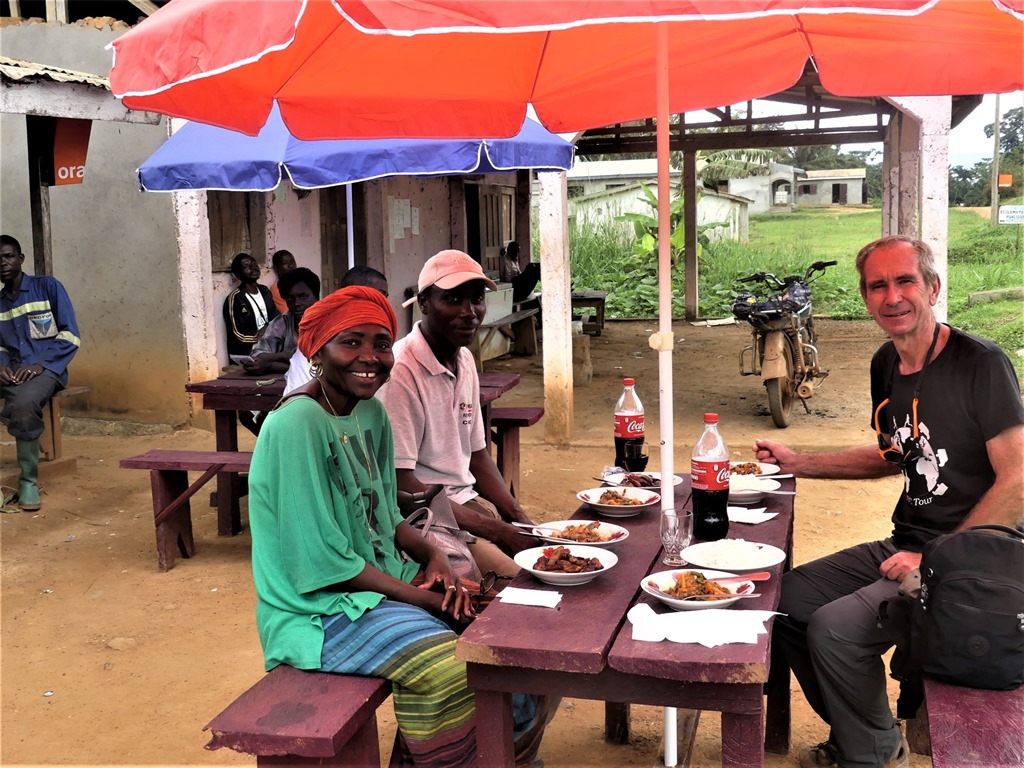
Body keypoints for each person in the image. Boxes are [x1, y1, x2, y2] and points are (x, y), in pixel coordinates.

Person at [248, 285, 548, 767]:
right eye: (351, 342)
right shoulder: (295, 424)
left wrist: (431, 554)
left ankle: (498, 757)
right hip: (320, 613)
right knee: (456, 670)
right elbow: (323, 564)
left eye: (382, 344)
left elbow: (385, 517)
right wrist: (424, 599)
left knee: (519, 637)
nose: (370, 357)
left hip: (382, 587)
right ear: (318, 351)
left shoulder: (369, 411)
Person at [753, 235, 1024, 768]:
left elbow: (1017, 480)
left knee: (834, 629)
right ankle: (872, 739)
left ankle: (865, 754)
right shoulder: (886, 363)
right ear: (865, 297)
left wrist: (936, 558)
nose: (892, 296)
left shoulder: (981, 363)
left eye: (905, 281)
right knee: (785, 602)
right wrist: (798, 461)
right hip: (908, 543)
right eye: (878, 285)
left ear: (933, 288)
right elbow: (895, 453)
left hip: (981, 563)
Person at [378, 250, 540, 578]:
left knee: (548, 559)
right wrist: (496, 530)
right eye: (453, 299)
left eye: (476, 299)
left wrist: (520, 520)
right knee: (521, 584)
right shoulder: (401, 372)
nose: (469, 312)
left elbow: (477, 455)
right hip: (424, 517)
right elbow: (402, 483)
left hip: (466, 504)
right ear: (424, 303)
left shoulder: (464, 358)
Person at [0, 234, 80, 511]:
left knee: (23, 402)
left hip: (48, 370)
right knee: (18, 394)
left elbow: (70, 335)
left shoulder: (47, 287)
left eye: (9, 256)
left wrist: (41, 365)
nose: (3, 263)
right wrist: (1, 366)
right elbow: (1, 346)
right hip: (12, 371)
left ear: (20, 259)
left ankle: (28, 482)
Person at [282, 266, 388, 396]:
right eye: (375, 298)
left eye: (384, 298)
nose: (383, 305)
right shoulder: (320, 341)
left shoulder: (383, 341)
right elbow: (299, 401)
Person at [243, 268, 320, 376]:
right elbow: (258, 354)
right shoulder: (283, 321)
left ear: (316, 297)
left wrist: (273, 364)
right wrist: (283, 356)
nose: (296, 303)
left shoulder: (328, 322)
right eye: (290, 298)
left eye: (303, 297)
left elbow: (316, 365)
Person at [223, 252, 279, 357]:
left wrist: (269, 329)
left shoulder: (264, 291)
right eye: (246, 266)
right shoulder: (236, 298)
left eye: (254, 263)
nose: (253, 267)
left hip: (269, 346)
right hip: (248, 351)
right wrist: (260, 335)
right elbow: (237, 335)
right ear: (238, 275)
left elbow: (275, 317)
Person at [268, 249, 296, 315]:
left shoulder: (301, 283)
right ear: (276, 268)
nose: (291, 265)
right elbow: (289, 313)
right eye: (285, 263)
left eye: (292, 261)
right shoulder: (277, 289)